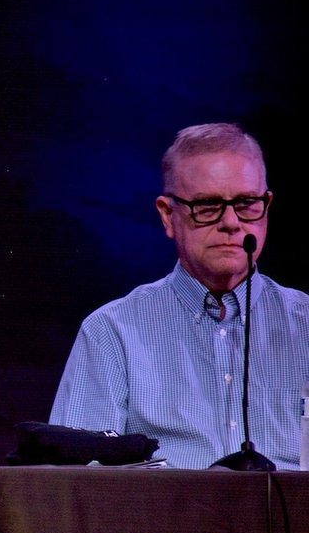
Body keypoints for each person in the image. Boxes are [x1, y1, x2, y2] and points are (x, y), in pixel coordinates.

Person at [49, 122, 309, 469]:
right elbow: (74, 484)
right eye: (207, 205)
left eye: (247, 203)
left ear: (267, 205)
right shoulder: (111, 333)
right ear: (168, 215)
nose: (231, 222)